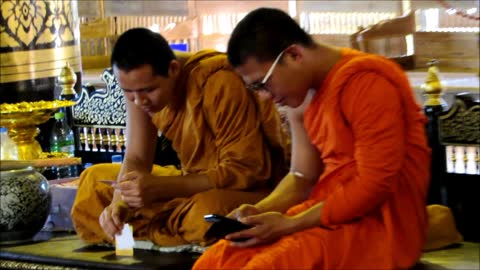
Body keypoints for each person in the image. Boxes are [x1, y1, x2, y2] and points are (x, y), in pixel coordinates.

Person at [193, 8, 431, 269]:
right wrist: (257, 212)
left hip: (379, 224)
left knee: (268, 265)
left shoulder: (367, 83)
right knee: (216, 259)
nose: (264, 97)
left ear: (294, 54)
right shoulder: (300, 95)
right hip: (327, 211)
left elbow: (374, 185)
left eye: (263, 83)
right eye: (255, 88)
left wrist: (291, 224)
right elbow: (302, 177)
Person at [71, 28, 288, 246]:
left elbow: (248, 171)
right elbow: (137, 158)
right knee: (93, 183)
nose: (139, 101)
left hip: (241, 190)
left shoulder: (217, 81)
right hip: (188, 183)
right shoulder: (138, 88)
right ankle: (150, 233)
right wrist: (120, 203)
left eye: (148, 90)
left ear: (173, 69)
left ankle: (140, 235)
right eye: (129, 92)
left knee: (207, 214)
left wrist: (160, 187)